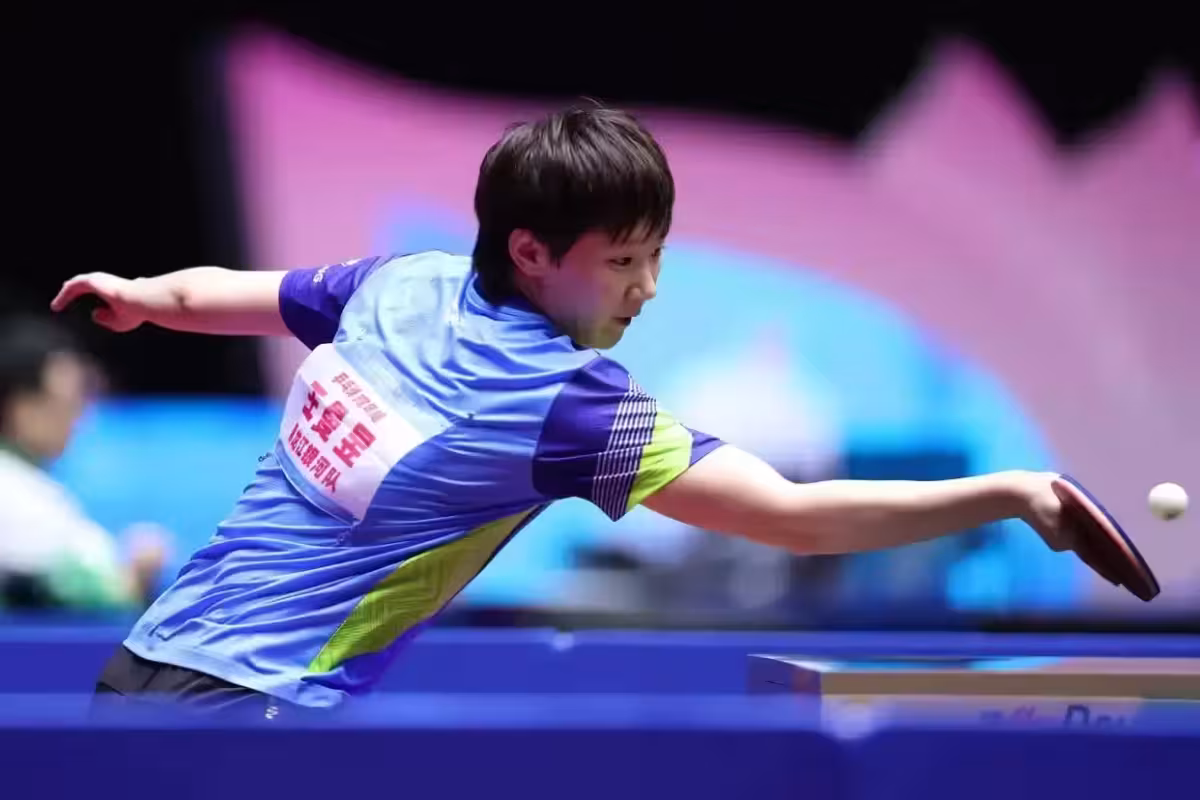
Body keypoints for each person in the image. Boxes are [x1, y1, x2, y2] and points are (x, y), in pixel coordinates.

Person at [52, 104, 1077, 717]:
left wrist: (141, 295)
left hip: (139, 670)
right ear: (531, 250)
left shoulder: (402, 283)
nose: (648, 288)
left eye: (656, 254)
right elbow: (792, 516)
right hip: (256, 712)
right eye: (623, 260)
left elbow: (220, 295)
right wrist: (1008, 494)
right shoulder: (570, 403)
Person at [0, 314, 167, 612]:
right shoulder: (11, 489)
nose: (78, 417)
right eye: (67, 402)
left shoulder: (33, 484)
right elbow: (93, 594)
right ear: (21, 407)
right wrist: (136, 576)